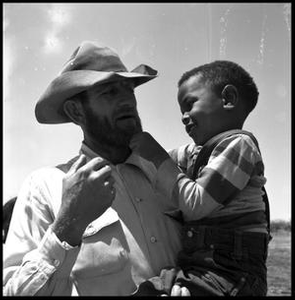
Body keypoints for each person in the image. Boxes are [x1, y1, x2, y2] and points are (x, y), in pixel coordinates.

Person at [3, 41, 183, 296]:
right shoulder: (45, 185)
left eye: (128, 90)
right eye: (109, 92)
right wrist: (68, 223)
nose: (126, 102)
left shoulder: (169, 172)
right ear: (76, 111)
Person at [130, 60, 270, 296]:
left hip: (232, 273)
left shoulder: (240, 145)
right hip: (206, 266)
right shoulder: (198, 152)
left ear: (228, 99)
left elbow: (196, 205)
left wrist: (155, 155)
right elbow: (166, 160)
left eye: (189, 104)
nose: (183, 117)